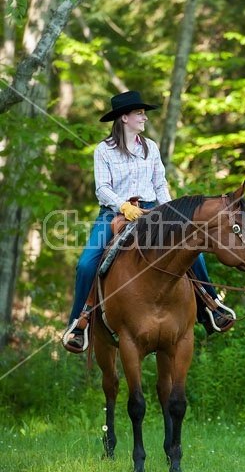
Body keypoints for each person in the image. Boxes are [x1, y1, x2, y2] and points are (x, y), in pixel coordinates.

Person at [62, 90, 235, 353]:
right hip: (114, 214)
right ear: (124, 118)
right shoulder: (103, 150)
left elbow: (159, 183)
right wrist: (122, 205)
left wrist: (170, 212)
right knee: (86, 264)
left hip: (154, 211)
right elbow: (102, 188)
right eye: (139, 113)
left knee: (192, 250)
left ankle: (211, 307)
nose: (144, 118)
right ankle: (79, 323)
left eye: (143, 113)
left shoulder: (150, 147)